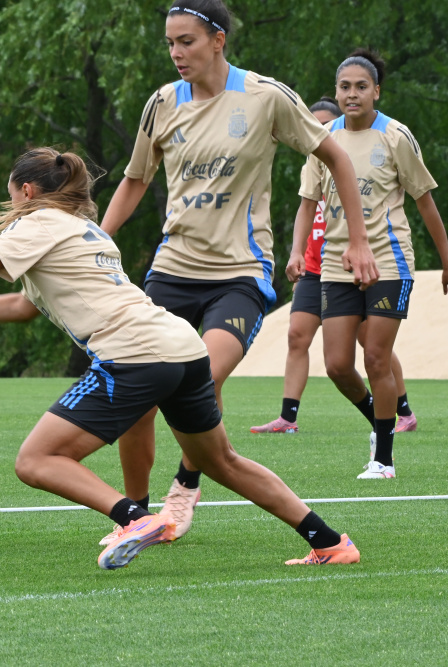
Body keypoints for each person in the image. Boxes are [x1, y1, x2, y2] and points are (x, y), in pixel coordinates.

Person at [0, 147, 360, 569]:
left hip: (135, 357)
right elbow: (21, 307)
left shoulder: (36, 223)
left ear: (27, 191)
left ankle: (134, 518)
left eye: (12, 193)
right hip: (183, 349)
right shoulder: (85, 231)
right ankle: (330, 541)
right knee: (222, 462)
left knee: (36, 460)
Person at [96, 0, 378, 542]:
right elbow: (134, 179)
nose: (177, 53)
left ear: (218, 40)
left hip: (239, 275)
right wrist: (100, 243)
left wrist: (358, 241)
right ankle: (137, 515)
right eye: (170, 44)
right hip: (170, 272)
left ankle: (186, 483)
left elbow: (336, 157)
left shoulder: (265, 97)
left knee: (196, 373)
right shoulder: (161, 103)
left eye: (188, 42)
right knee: (138, 393)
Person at [290, 48, 448, 479]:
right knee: (338, 366)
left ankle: (384, 458)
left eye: (362, 86)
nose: (352, 94)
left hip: (389, 263)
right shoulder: (322, 141)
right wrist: (294, 253)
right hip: (337, 266)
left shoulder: (396, 136)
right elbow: (307, 203)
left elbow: (425, 202)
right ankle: (379, 424)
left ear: (376, 91)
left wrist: (447, 259)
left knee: (376, 357)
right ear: (337, 93)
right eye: (345, 87)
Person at [251, 97, 416, 434]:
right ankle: (289, 417)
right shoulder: (314, 167)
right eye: (311, 125)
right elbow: (305, 209)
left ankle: (402, 411)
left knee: (371, 346)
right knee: (298, 336)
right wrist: (296, 253)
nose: (317, 132)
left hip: (359, 264)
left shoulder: (354, 160)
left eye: (324, 125)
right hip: (318, 270)